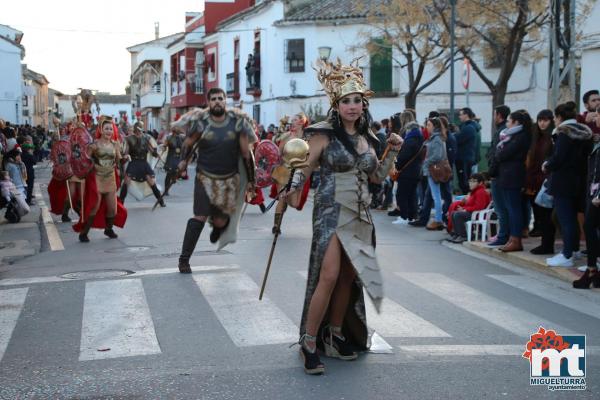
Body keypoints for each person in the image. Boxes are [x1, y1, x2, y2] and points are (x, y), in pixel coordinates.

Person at [282, 59, 403, 375]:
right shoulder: (322, 135)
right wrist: (290, 184)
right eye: (346, 101)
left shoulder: (370, 139)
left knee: (350, 276)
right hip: (330, 213)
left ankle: (335, 334)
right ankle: (309, 342)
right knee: (330, 274)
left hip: (360, 214)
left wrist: (392, 151)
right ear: (336, 104)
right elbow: (303, 170)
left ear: (364, 104)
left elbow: (376, 177)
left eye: (357, 100)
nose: (353, 106)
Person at [172, 88, 257, 273]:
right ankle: (184, 259)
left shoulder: (237, 123)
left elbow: (246, 153)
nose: (217, 101)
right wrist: (183, 161)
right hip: (205, 177)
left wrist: (251, 179)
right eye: (214, 99)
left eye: (220, 98)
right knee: (199, 217)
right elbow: (188, 143)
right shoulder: (201, 123)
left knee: (220, 220)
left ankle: (218, 226)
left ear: (225, 101)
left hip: (228, 180)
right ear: (208, 102)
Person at [544, 102, 593, 267]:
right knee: (572, 217)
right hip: (580, 180)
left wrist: (547, 165)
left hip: (563, 181)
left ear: (559, 117)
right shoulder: (585, 133)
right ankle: (575, 250)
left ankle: (567, 254)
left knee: (565, 219)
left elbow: (559, 158)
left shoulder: (563, 134)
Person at [76, 116, 127, 242]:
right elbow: (84, 161)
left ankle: (108, 229)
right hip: (97, 179)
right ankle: (84, 232)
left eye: (111, 129)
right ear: (101, 130)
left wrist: (126, 158)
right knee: (95, 206)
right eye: (106, 129)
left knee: (112, 209)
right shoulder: (94, 145)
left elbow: (119, 160)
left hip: (110, 178)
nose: (109, 131)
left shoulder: (115, 145)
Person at [494, 110, 532, 252]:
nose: (507, 124)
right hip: (507, 175)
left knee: (514, 208)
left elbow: (504, 154)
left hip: (513, 175)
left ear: (516, 122)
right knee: (510, 207)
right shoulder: (511, 136)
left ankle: (516, 238)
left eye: (509, 121)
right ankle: (512, 237)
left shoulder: (520, 136)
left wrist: (499, 152)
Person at [573, 119, 600, 288]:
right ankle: (593, 270)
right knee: (591, 227)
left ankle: (591, 269)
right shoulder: (595, 140)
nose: (596, 117)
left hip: (597, 194)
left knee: (590, 227)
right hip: (593, 190)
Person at [525, 110, 554, 251]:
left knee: (546, 214)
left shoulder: (553, 137)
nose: (542, 123)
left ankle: (547, 244)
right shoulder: (535, 137)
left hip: (545, 179)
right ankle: (543, 240)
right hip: (533, 179)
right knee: (538, 212)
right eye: (540, 120)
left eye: (546, 120)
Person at [388, 111, 424, 222]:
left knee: (402, 194)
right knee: (412, 194)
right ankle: (412, 215)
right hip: (415, 170)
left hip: (407, 171)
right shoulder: (419, 138)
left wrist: (396, 165)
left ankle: (404, 216)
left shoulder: (410, 140)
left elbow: (404, 155)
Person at [119, 121, 164, 207]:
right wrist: (125, 156)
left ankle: (160, 200)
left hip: (143, 163)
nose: (139, 130)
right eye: (138, 127)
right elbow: (126, 152)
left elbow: (152, 151)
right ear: (135, 128)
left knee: (151, 181)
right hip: (133, 162)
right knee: (127, 181)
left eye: (141, 127)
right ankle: (121, 202)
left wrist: (157, 153)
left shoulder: (146, 138)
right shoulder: (129, 138)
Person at [445, 173, 491, 243]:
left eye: (474, 181)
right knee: (454, 213)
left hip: (478, 215)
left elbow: (479, 207)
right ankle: (457, 234)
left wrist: (465, 209)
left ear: (480, 183)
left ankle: (464, 236)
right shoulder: (474, 192)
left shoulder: (480, 192)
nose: (471, 183)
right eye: (470, 181)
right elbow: (471, 204)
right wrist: (464, 205)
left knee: (458, 215)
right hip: (472, 213)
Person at [422, 117, 447, 230]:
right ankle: (438, 219)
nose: (427, 127)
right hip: (432, 169)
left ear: (434, 126)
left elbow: (437, 155)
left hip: (434, 170)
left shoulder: (436, 138)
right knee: (435, 195)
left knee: (436, 196)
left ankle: (438, 220)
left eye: (428, 125)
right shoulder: (433, 138)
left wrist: (427, 162)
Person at [162, 127, 185, 196]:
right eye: (175, 131)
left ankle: (174, 177)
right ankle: (166, 190)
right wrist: (164, 147)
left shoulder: (182, 137)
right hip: (171, 157)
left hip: (179, 157)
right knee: (169, 173)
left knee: (178, 170)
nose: (176, 133)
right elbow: (165, 145)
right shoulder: (168, 138)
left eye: (177, 132)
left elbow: (187, 142)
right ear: (173, 131)